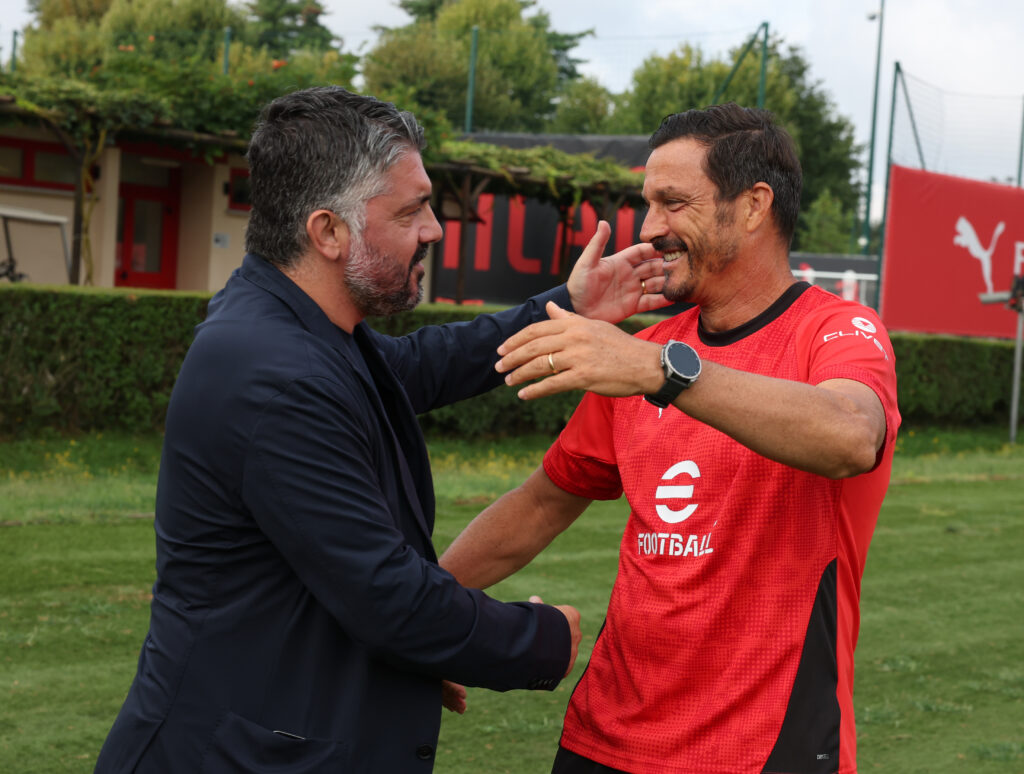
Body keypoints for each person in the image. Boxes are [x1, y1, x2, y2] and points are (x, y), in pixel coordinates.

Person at [93, 86, 668, 773]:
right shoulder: (274, 373)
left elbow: (420, 366)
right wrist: (540, 636)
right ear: (328, 231)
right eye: (411, 210)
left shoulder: (297, 329)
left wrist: (569, 306)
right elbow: (388, 597)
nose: (434, 229)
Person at [440, 103, 901, 774]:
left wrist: (658, 373)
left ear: (753, 206)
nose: (650, 228)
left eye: (673, 202)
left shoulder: (833, 332)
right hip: (603, 742)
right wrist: (418, 619)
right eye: (647, 203)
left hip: (761, 751)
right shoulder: (646, 354)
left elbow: (851, 435)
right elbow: (539, 506)